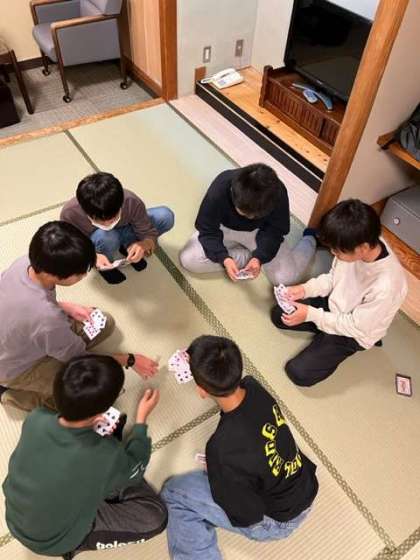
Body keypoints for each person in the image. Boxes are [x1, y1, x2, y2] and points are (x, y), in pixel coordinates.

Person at [162, 335, 318, 560]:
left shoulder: (221, 448)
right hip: (304, 486)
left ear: (202, 390)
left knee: (174, 493)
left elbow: (246, 515)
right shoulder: (254, 387)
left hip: (277, 521)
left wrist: (221, 476)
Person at [3, 355, 167, 559]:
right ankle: (74, 546)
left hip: (16, 515)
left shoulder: (37, 417)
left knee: (98, 470)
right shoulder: (104, 454)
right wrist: (141, 423)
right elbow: (136, 469)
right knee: (155, 517)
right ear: (100, 415)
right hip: (53, 540)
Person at [0, 221, 158, 412]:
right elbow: (80, 359)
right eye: (80, 274)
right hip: (15, 368)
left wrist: (66, 306)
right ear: (57, 275)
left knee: (104, 323)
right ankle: (14, 396)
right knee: (82, 396)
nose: (83, 276)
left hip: (23, 336)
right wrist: (130, 360)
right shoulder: (48, 320)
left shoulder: (26, 263)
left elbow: (25, 305)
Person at [270, 199, 408, 387]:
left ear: (363, 248)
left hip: (354, 331)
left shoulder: (388, 285)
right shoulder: (358, 241)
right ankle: (323, 329)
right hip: (335, 305)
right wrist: (304, 290)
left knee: (298, 373)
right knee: (279, 314)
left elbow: (356, 326)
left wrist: (311, 315)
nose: (333, 254)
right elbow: (333, 278)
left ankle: (331, 337)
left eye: (338, 251)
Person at [179, 164, 316, 286]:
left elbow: (275, 231)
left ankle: (310, 239)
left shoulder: (277, 194)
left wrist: (259, 257)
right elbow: (207, 229)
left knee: (286, 278)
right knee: (189, 259)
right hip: (225, 228)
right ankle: (247, 257)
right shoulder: (221, 186)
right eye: (244, 213)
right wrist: (224, 258)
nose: (250, 218)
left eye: (255, 215)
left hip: (260, 233)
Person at [60, 172, 175, 284]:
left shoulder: (131, 201)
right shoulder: (70, 214)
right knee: (106, 236)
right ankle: (105, 265)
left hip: (126, 228)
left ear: (121, 203)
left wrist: (145, 244)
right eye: (99, 220)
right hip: (99, 240)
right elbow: (72, 246)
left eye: (113, 217)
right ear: (85, 210)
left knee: (165, 216)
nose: (107, 223)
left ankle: (128, 245)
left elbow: (147, 231)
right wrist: (93, 257)